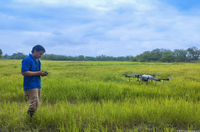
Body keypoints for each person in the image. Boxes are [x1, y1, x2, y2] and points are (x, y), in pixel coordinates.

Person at [21, 45, 48, 117]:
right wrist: (37, 73)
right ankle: (29, 118)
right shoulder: (27, 60)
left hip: (37, 84)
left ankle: (31, 117)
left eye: (42, 54)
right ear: (35, 51)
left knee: (37, 103)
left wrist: (41, 74)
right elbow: (24, 72)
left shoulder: (38, 61)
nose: (41, 56)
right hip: (30, 85)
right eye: (40, 53)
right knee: (34, 103)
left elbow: (36, 72)